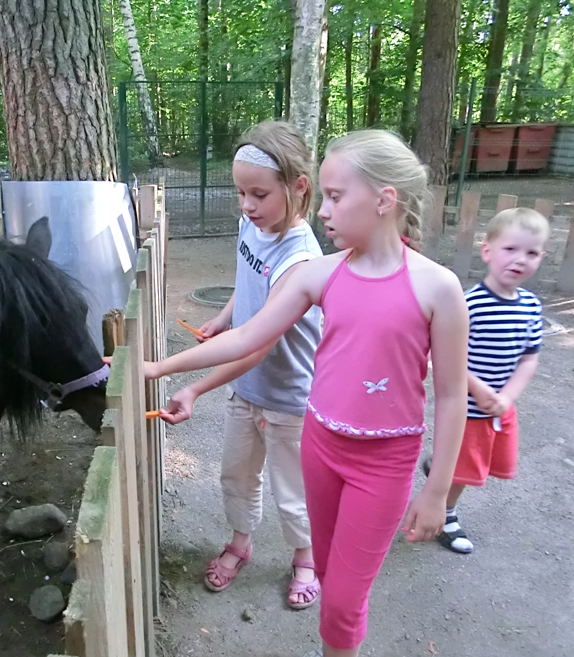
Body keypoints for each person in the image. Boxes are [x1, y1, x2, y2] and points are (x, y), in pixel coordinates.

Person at [146, 129, 469, 657]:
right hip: (320, 445)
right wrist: (159, 367)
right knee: (324, 568)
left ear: (385, 200)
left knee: (341, 600)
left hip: (385, 462)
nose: (323, 210)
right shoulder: (319, 275)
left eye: (337, 197)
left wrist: (436, 492)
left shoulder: (438, 288)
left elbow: (453, 395)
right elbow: (250, 336)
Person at [164, 121, 323, 608]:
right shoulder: (251, 226)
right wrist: (222, 317)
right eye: (240, 193)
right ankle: (240, 542)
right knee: (235, 474)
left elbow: (256, 347)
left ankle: (305, 557)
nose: (247, 205)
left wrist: (191, 387)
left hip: (288, 397)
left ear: (297, 187)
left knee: (291, 489)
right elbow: (246, 282)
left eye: (259, 193)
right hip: (245, 387)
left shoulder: (301, 258)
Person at [422, 207, 549, 554]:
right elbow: (442, 354)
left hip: (499, 409)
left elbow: (529, 358)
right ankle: (447, 514)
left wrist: (507, 397)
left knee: (482, 466)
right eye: (511, 249)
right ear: (488, 251)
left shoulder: (531, 307)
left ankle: (440, 467)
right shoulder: (470, 303)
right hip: (467, 408)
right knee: (465, 471)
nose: (520, 259)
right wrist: (477, 388)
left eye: (532, 252)